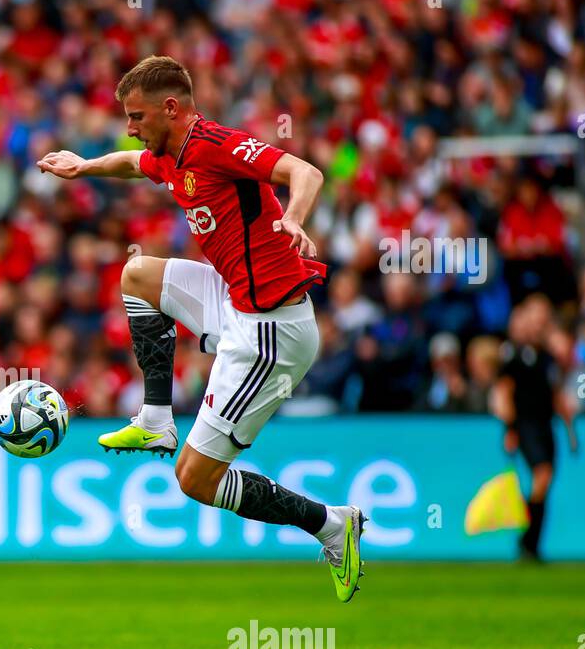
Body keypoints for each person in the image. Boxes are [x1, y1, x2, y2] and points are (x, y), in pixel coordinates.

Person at [38, 55, 364, 602]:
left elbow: (305, 172)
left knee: (194, 481)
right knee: (137, 274)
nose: (131, 127)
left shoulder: (215, 145)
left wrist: (294, 217)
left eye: (137, 116)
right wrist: (84, 165)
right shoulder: (171, 153)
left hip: (273, 333)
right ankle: (156, 418)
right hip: (236, 300)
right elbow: (130, 161)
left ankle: (332, 525)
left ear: (172, 108)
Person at [493, 294, 578, 562]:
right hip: (527, 424)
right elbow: (505, 393)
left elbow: (556, 395)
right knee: (542, 475)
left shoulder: (547, 358)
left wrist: (570, 430)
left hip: (545, 425)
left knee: (546, 478)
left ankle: (532, 543)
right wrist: (510, 428)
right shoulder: (514, 356)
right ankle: (528, 538)